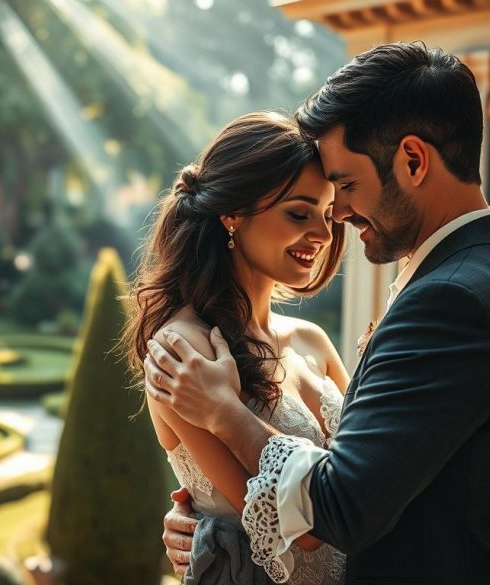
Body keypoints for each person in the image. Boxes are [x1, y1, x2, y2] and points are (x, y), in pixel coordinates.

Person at [145, 42, 490, 584]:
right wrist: (211, 528)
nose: (337, 218)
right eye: (309, 207)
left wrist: (227, 414)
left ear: (413, 160)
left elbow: (339, 505)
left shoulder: (451, 301)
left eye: (344, 186)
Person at [121, 110, 348, 583]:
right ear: (233, 213)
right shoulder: (183, 352)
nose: (324, 235)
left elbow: (369, 477)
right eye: (299, 212)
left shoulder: (313, 341)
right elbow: (300, 530)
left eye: (327, 215)